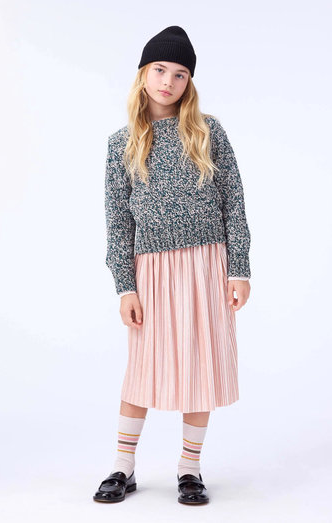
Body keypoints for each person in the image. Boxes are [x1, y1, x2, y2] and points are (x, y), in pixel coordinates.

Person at [93, 25, 251, 505]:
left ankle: (189, 468)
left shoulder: (208, 132)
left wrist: (239, 269)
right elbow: (118, 221)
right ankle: (123, 465)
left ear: (189, 82)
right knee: (144, 366)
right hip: (152, 272)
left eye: (180, 74)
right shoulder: (122, 143)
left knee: (201, 364)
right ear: (144, 74)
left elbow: (234, 201)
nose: (168, 81)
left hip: (207, 265)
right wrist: (126, 286)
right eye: (160, 70)